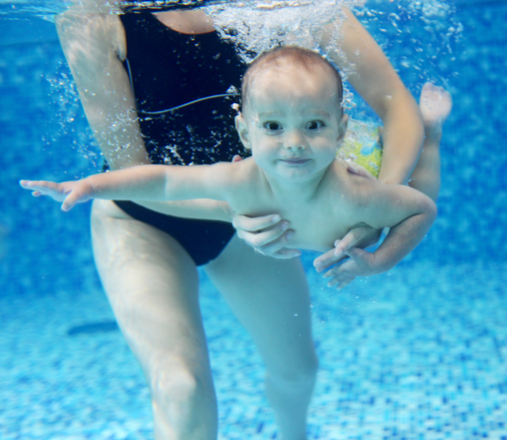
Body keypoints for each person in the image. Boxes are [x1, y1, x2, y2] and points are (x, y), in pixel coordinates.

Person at [50, 2, 431, 439]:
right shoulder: (93, 19)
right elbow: (131, 177)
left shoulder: (292, 5)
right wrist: (232, 209)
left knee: (298, 371)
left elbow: (396, 105)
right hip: (143, 220)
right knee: (180, 385)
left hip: (257, 214)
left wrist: (373, 205)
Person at [22, 46, 441, 277]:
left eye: (312, 125)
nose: (293, 144)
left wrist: (381, 259)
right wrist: (93, 185)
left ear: (338, 129)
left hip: (358, 158)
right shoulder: (241, 179)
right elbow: (165, 182)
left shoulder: (357, 194)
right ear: (245, 133)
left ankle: (433, 131)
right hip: (323, 159)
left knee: (420, 179)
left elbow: (423, 208)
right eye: (273, 127)